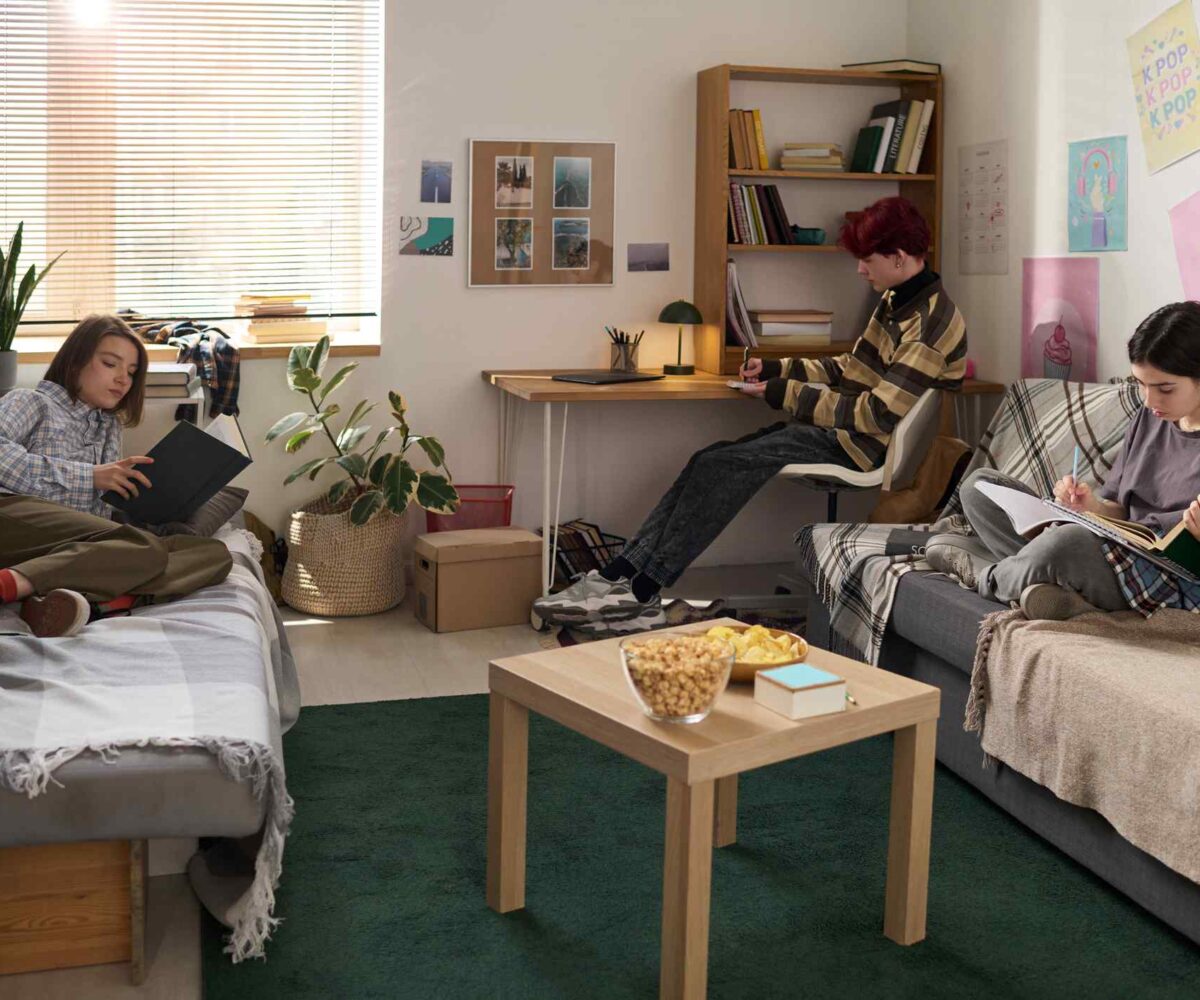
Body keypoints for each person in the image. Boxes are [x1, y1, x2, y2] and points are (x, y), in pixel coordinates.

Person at [534, 196, 968, 633]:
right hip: (837, 430)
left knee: (721, 465)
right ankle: (622, 575)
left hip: (859, 446)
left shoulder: (930, 324)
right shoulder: (897, 300)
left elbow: (875, 414)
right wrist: (777, 368)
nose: (859, 269)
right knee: (708, 460)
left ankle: (643, 589)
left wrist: (781, 392)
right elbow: (848, 369)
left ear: (898, 257)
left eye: (866, 259)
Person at [926, 301, 1200, 620]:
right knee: (979, 486)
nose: (1149, 400)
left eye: (1165, 388)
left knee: (1067, 543)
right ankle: (1053, 587)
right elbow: (1120, 509)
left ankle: (986, 577)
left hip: (1168, 576)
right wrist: (1091, 508)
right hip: (1115, 547)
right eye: (1140, 384)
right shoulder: (1150, 417)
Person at [0, 314, 233, 638]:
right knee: (142, 548)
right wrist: (90, 477)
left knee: (211, 554)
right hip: (11, 517)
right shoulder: (31, 403)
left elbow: (97, 521)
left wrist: (155, 503)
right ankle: (15, 587)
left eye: (132, 372)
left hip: (64, 548)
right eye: (111, 364)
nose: (123, 379)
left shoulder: (108, 428)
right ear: (74, 361)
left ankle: (65, 600)